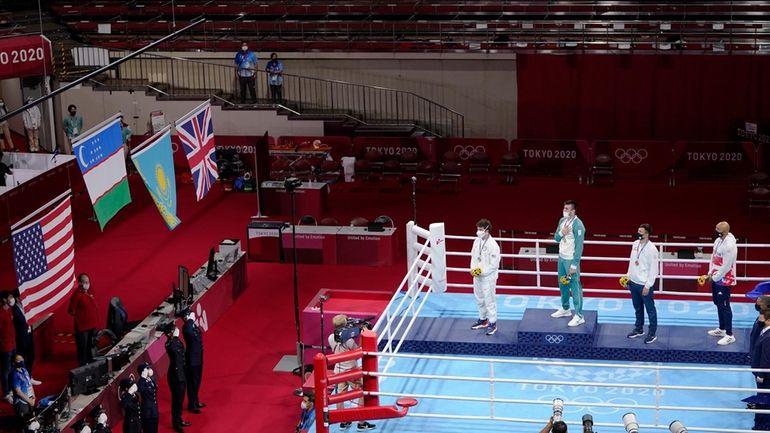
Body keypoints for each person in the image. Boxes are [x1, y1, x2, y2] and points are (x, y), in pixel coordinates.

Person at [327, 314, 376, 432]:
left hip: (338, 371)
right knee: (362, 392)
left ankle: (343, 422)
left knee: (340, 396)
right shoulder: (348, 340)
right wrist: (364, 335)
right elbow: (359, 350)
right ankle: (361, 423)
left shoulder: (330, 337)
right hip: (351, 371)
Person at [551, 200, 587, 327]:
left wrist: (574, 264)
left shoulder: (578, 225)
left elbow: (579, 247)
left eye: (567, 209)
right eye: (564, 208)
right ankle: (565, 309)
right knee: (562, 283)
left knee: (575, 286)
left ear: (573, 211)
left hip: (571, 260)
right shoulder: (562, 221)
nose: (564, 210)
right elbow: (556, 238)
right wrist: (562, 233)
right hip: (561, 257)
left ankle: (579, 315)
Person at [621, 224, 659, 344]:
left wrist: (648, 285)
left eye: (641, 232)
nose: (638, 233)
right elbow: (632, 261)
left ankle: (652, 333)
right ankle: (639, 328)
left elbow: (654, 270)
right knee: (637, 308)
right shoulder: (635, 244)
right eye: (638, 231)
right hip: (633, 282)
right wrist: (628, 276)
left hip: (644, 285)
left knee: (650, 310)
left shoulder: (652, 249)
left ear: (647, 234)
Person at [705, 221, 738, 345]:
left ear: (723, 231)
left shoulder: (730, 245)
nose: (715, 230)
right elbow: (713, 258)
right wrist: (710, 273)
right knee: (717, 303)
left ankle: (730, 335)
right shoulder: (717, 241)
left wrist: (715, 278)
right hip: (715, 276)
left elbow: (726, 266)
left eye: (717, 228)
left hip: (725, 279)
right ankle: (722, 328)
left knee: (724, 305)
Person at [469, 218, 501, 336]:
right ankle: (483, 319)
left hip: (488, 277)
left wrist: (481, 271)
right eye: (477, 229)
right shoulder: (476, 241)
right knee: (479, 298)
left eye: (481, 229)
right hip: (477, 276)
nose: (478, 231)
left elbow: (494, 264)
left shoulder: (493, 245)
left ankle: (492, 323)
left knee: (489, 300)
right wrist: (473, 270)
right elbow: (473, 256)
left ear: (487, 230)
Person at [164, 322, 191, 432]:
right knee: (176, 401)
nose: (177, 330)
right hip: (175, 376)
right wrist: (174, 337)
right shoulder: (169, 344)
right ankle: (176, 423)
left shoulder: (175, 341)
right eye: (174, 329)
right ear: (170, 333)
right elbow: (174, 350)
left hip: (181, 374)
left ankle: (179, 419)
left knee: (180, 400)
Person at [68, 274, 99, 366]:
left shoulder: (90, 291)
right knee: (83, 347)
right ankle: (82, 365)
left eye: (88, 282)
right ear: (80, 283)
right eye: (85, 282)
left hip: (92, 324)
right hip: (82, 327)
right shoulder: (76, 295)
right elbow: (71, 311)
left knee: (91, 345)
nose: (87, 284)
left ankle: (91, 361)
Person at [10, 292, 37, 382]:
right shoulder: (14, 310)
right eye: (22, 296)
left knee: (31, 356)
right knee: (22, 358)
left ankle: (29, 375)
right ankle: (22, 379)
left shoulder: (26, 307)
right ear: (17, 298)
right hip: (21, 338)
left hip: (29, 335)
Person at [182, 309, 205, 413]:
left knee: (197, 381)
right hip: (192, 360)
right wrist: (190, 320)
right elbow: (190, 333)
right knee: (192, 382)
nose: (194, 316)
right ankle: (192, 404)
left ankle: (196, 400)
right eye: (191, 315)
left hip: (198, 357)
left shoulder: (192, 326)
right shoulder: (186, 327)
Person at [751, 310, 770, 430]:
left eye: (761, 319)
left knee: (764, 398)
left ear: (768, 321)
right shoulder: (765, 331)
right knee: (762, 397)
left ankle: (762, 424)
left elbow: (766, 357)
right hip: (760, 371)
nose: (759, 321)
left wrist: (761, 374)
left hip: (765, 375)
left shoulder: (769, 337)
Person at [0, 292, 16, 404]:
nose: (11, 299)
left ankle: (11, 389)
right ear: (4, 299)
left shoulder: (9, 310)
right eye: (9, 297)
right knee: (5, 371)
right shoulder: (0, 313)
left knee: (11, 369)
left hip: (13, 344)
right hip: (5, 347)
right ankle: (6, 393)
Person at [10, 354, 35, 420]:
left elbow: (30, 384)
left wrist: (33, 396)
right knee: (24, 422)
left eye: (22, 359)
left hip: (30, 399)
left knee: (32, 420)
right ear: (13, 363)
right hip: (22, 402)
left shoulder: (25, 370)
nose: (21, 361)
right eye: (18, 360)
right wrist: (29, 401)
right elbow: (18, 392)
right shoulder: (14, 375)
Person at [137, 362, 159, 433]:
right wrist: (142, 378)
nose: (150, 369)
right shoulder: (142, 382)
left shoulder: (151, 379)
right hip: (147, 413)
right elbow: (139, 389)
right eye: (147, 368)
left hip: (154, 411)